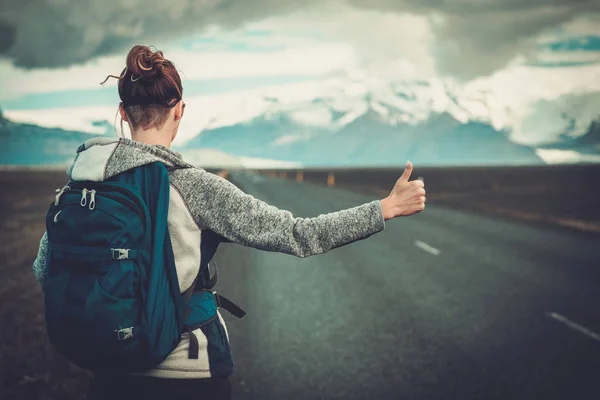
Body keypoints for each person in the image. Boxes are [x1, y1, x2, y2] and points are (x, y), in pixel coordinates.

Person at [32, 44, 426, 400]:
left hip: (109, 375)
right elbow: (299, 235)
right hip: (188, 375)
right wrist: (384, 208)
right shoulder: (194, 187)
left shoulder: (82, 186)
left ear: (122, 113)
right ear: (179, 109)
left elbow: (44, 269)